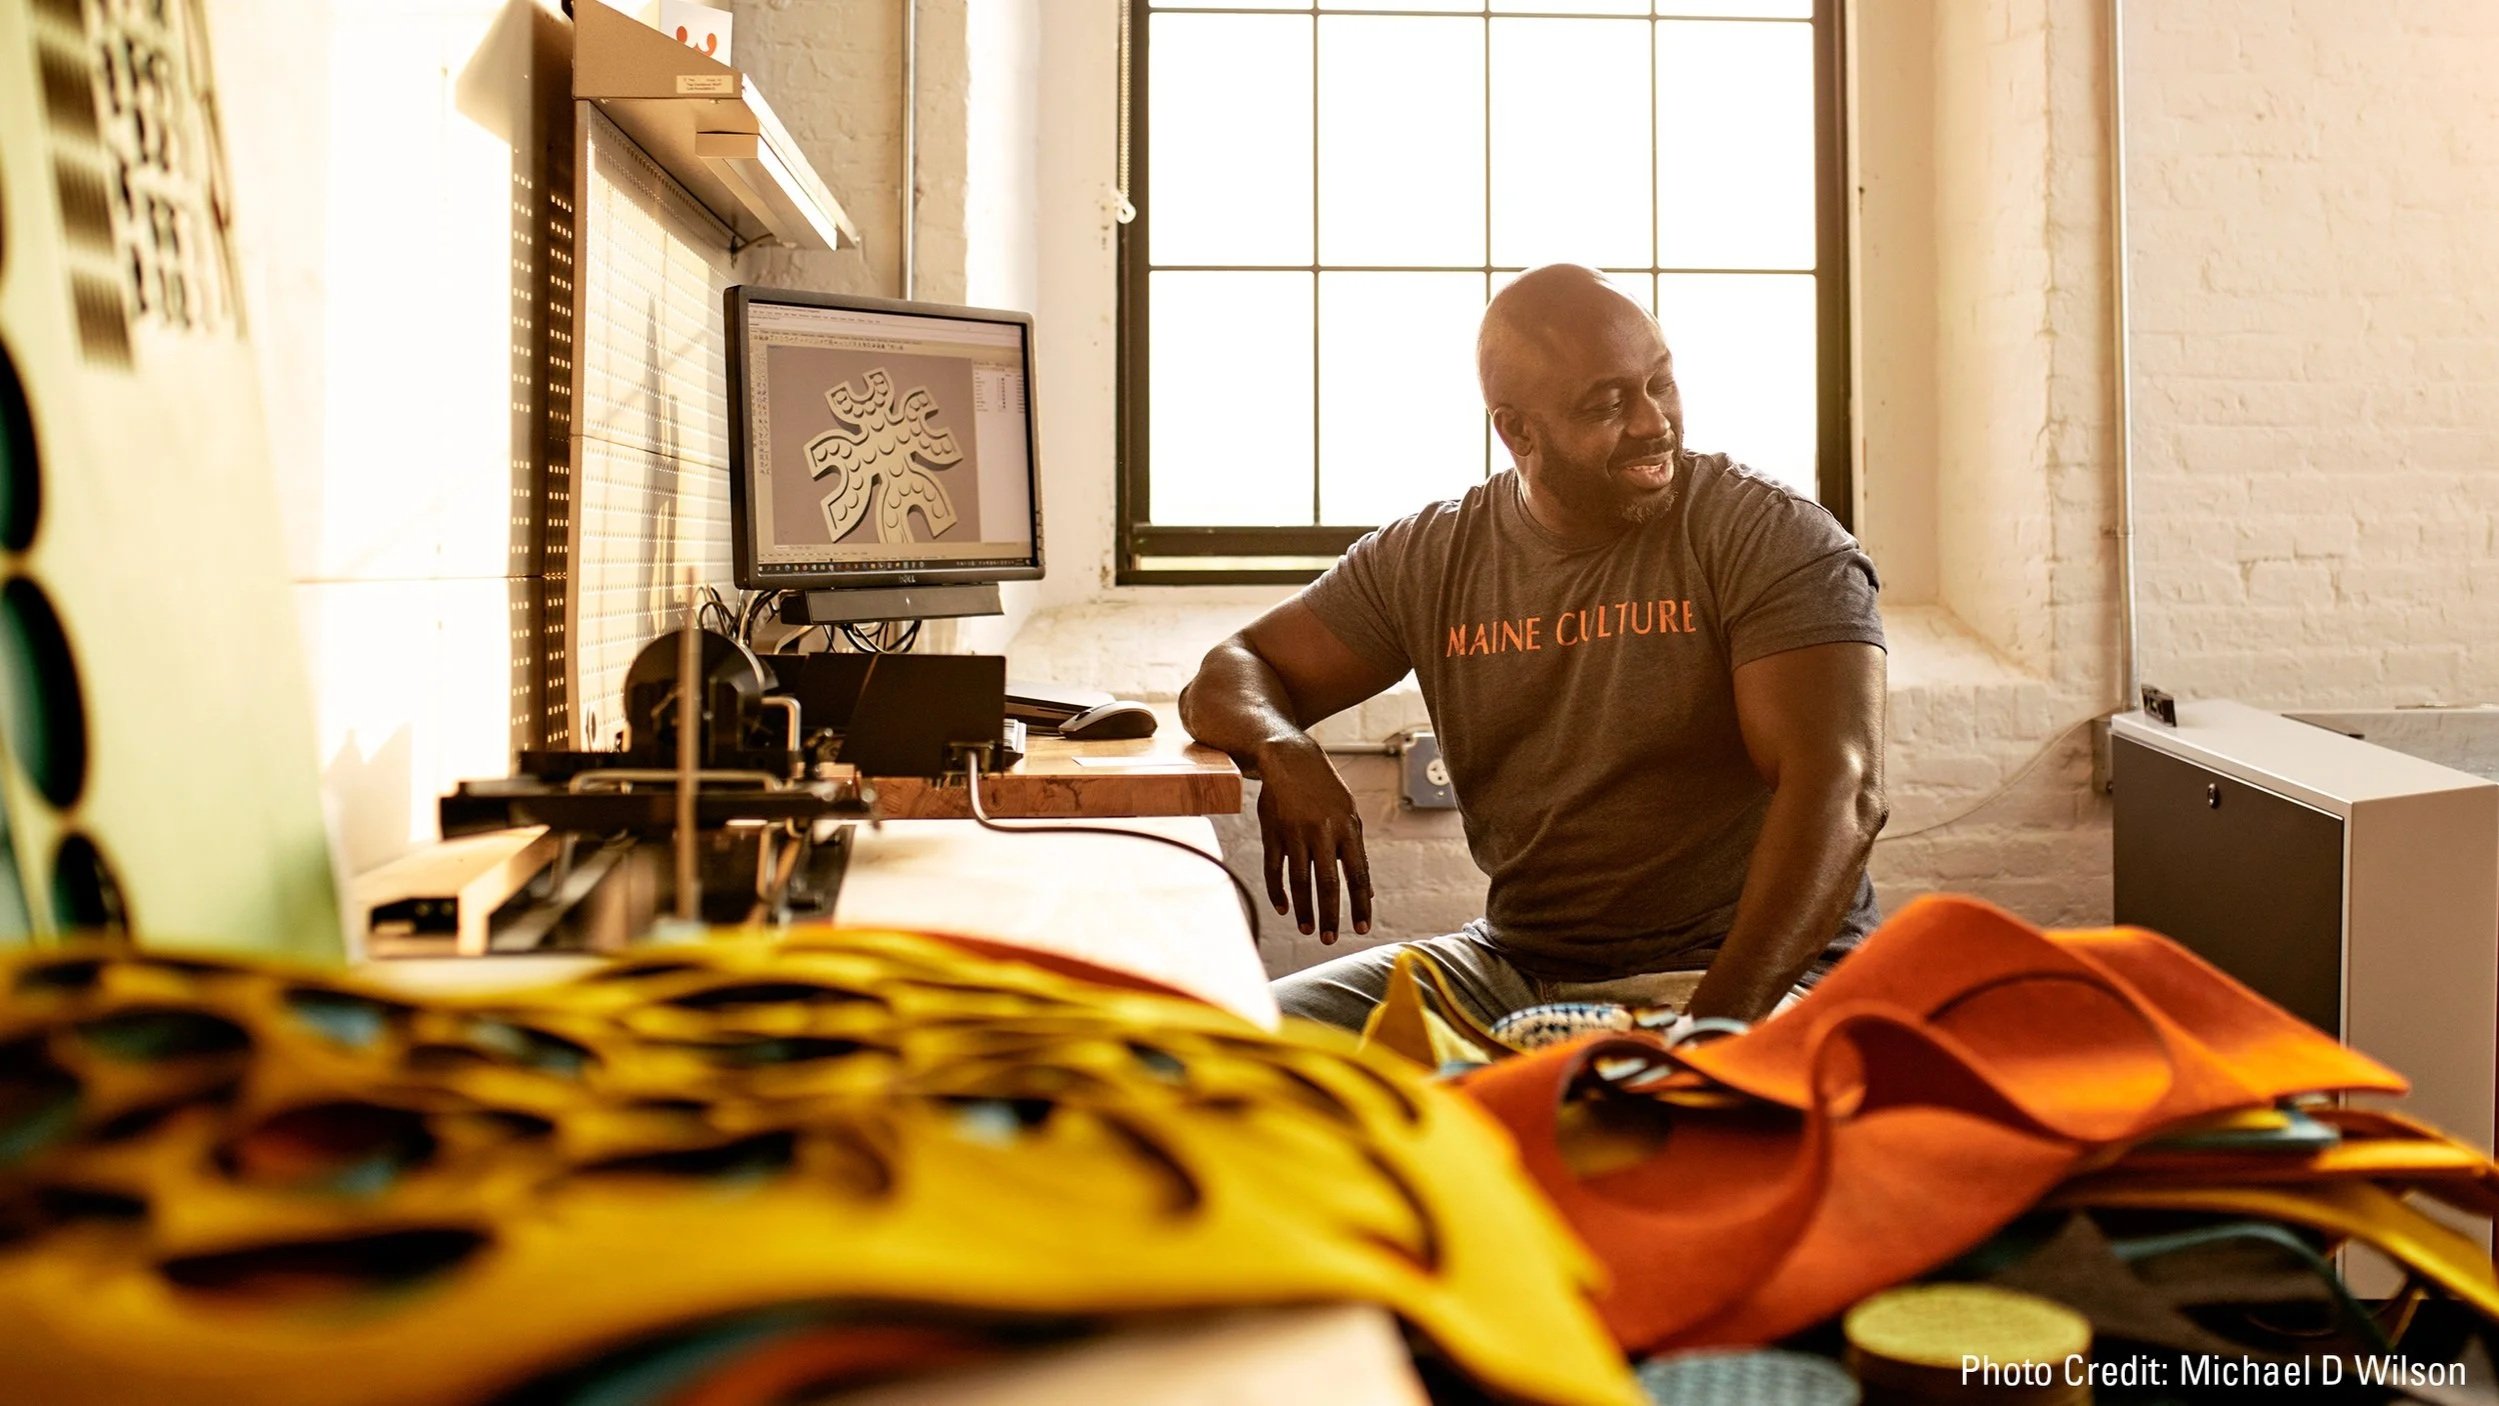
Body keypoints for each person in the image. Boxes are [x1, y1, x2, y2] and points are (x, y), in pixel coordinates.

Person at [1178, 264, 1888, 1032]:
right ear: (1516, 430)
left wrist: (1710, 1035)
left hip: (1731, 974)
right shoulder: (1433, 556)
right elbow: (1229, 672)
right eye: (1608, 404)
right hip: (1511, 965)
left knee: (1602, 1125)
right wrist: (1284, 749)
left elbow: (1839, 790)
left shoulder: (1765, 533)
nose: (1653, 422)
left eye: (1660, 383)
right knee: (1222, 1053)